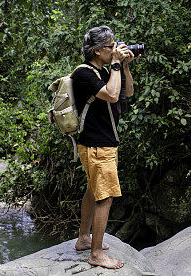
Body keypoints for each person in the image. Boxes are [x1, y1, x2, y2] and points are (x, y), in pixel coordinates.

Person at [71, 25, 135, 270]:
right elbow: (110, 94)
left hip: (101, 144)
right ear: (97, 50)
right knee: (105, 197)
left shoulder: (105, 71)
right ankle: (96, 254)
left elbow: (125, 93)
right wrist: (116, 66)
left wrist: (124, 66)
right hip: (97, 146)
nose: (115, 49)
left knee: (92, 190)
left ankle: (84, 239)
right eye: (111, 47)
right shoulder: (84, 74)